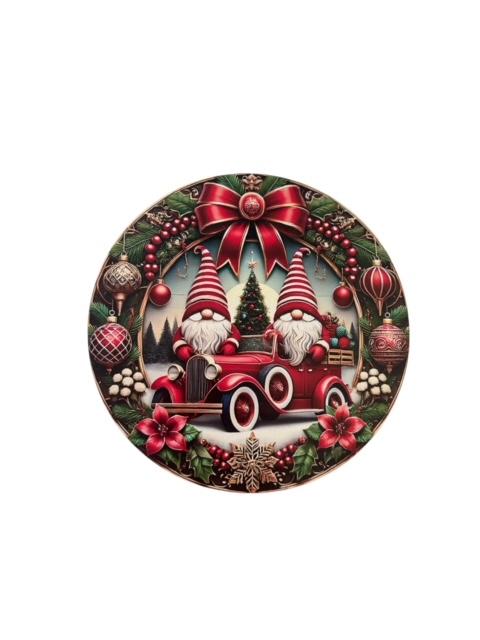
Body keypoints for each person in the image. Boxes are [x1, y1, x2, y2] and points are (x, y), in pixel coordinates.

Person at [173, 245, 240, 362]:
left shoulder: (227, 327)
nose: (207, 313)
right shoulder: (186, 328)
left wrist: (230, 344)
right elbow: (178, 339)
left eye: (215, 310)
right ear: (190, 314)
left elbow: (235, 335)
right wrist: (181, 348)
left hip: (221, 364)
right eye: (199, 310)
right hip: (194, 363)